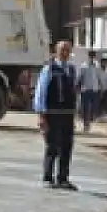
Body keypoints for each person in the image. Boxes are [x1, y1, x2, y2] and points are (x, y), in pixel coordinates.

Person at [33, 40, 79, 190]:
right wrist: (41, 116)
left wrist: (75, 114)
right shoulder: (49, 69)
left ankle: (63, 178)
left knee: (67, 146)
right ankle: (48, 177)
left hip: (67, 115)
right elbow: (41, 93)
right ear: (56, 51)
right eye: (62, 50)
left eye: (68, 50)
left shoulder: (72, 70)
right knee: (52, 145)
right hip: (52, 114)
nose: (65, 53)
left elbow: (73, 92)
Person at [77, 49, 104, 132]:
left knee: (94, 107)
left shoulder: (97, 66)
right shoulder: (83, 66)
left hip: (95, 89)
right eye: (90, 56)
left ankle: (90, 121)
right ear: (88, 57)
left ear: (94, 57)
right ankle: (86, 124)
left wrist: (101, 88)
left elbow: (100, 78)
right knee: (85, 107)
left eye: (93, 56)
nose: (92, 58)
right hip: (85, 90)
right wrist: (78, 88)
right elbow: (79, 78)